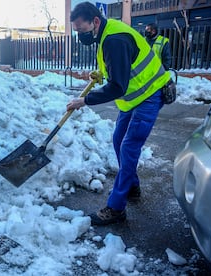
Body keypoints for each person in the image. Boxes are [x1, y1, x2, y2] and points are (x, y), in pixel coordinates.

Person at [66, 2, 171, 225]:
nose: (80, 36)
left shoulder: (114, 39)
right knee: (118, 140)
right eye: (76, 32)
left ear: (94, 21)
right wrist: (99, 74)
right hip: (136, 96)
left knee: (128, 146)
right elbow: (119, 67)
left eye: (81, 30)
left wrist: (84, 101)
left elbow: (117, 87)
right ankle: (132, 185)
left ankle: (116, 208)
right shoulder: (106, 31)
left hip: (150, 94)